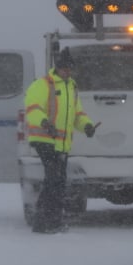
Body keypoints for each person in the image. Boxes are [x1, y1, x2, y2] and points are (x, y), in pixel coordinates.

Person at [24, 47, 96, 233]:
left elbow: (77, 114)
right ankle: (44, 222)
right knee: (53, 180)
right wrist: (44, 122)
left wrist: (87, 126)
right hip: (44, 139)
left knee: (58, 181)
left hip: (61, 143)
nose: (68, 72)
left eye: (70, 69)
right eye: (65, 68)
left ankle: (51, 222)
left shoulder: (71, 87)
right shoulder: (43, 84)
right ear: (58, 68)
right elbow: (32, 109)